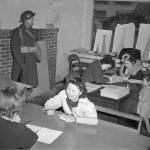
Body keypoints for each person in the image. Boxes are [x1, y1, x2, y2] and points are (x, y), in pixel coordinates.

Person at [10, 10, 42, 88]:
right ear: (25, 20)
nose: (33, 21)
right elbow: (15, 50)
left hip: (31, 62)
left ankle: (28, 97)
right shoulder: (17, 32)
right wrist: (22, 66)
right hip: (21, 63)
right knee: (19, 86)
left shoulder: (33, 31)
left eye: (33, 19)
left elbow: (35, 43)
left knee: (30, 85)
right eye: (31, 19)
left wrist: (37, 54)